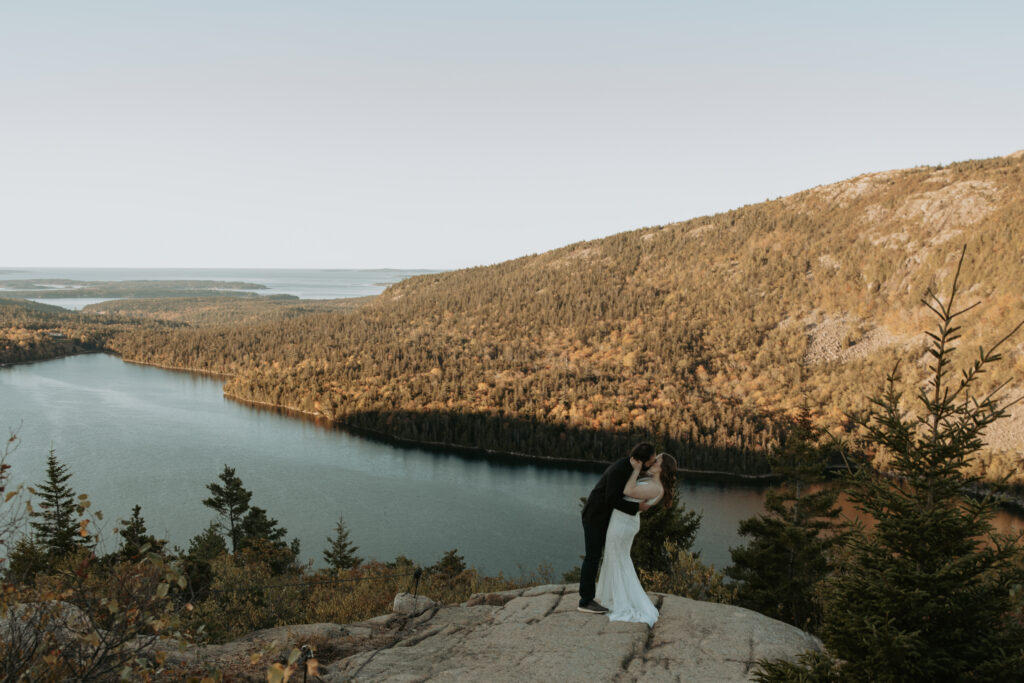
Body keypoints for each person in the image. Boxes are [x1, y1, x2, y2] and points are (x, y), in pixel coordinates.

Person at [595, 452, 677, 626]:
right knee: (614, 557)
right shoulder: (652, 480)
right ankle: (611, 597)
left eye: (658, 460)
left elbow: (628, 490)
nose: (654, 461)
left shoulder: (656, 487)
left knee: (618, 559)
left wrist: (637, 469)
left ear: (663, 468)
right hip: (621, 520)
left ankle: (622, 601)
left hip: (623, 524)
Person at [578, 442, 658, 614]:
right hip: (595, 516)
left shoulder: (631, 468)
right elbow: (611, 500)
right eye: (651, 460)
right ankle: (585, 601)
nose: (652, 463)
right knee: (592, 557)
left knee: (601, 556)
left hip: (604, 517)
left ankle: (606, 594)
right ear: (641, 460)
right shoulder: (619, 470)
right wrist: (637, 508)